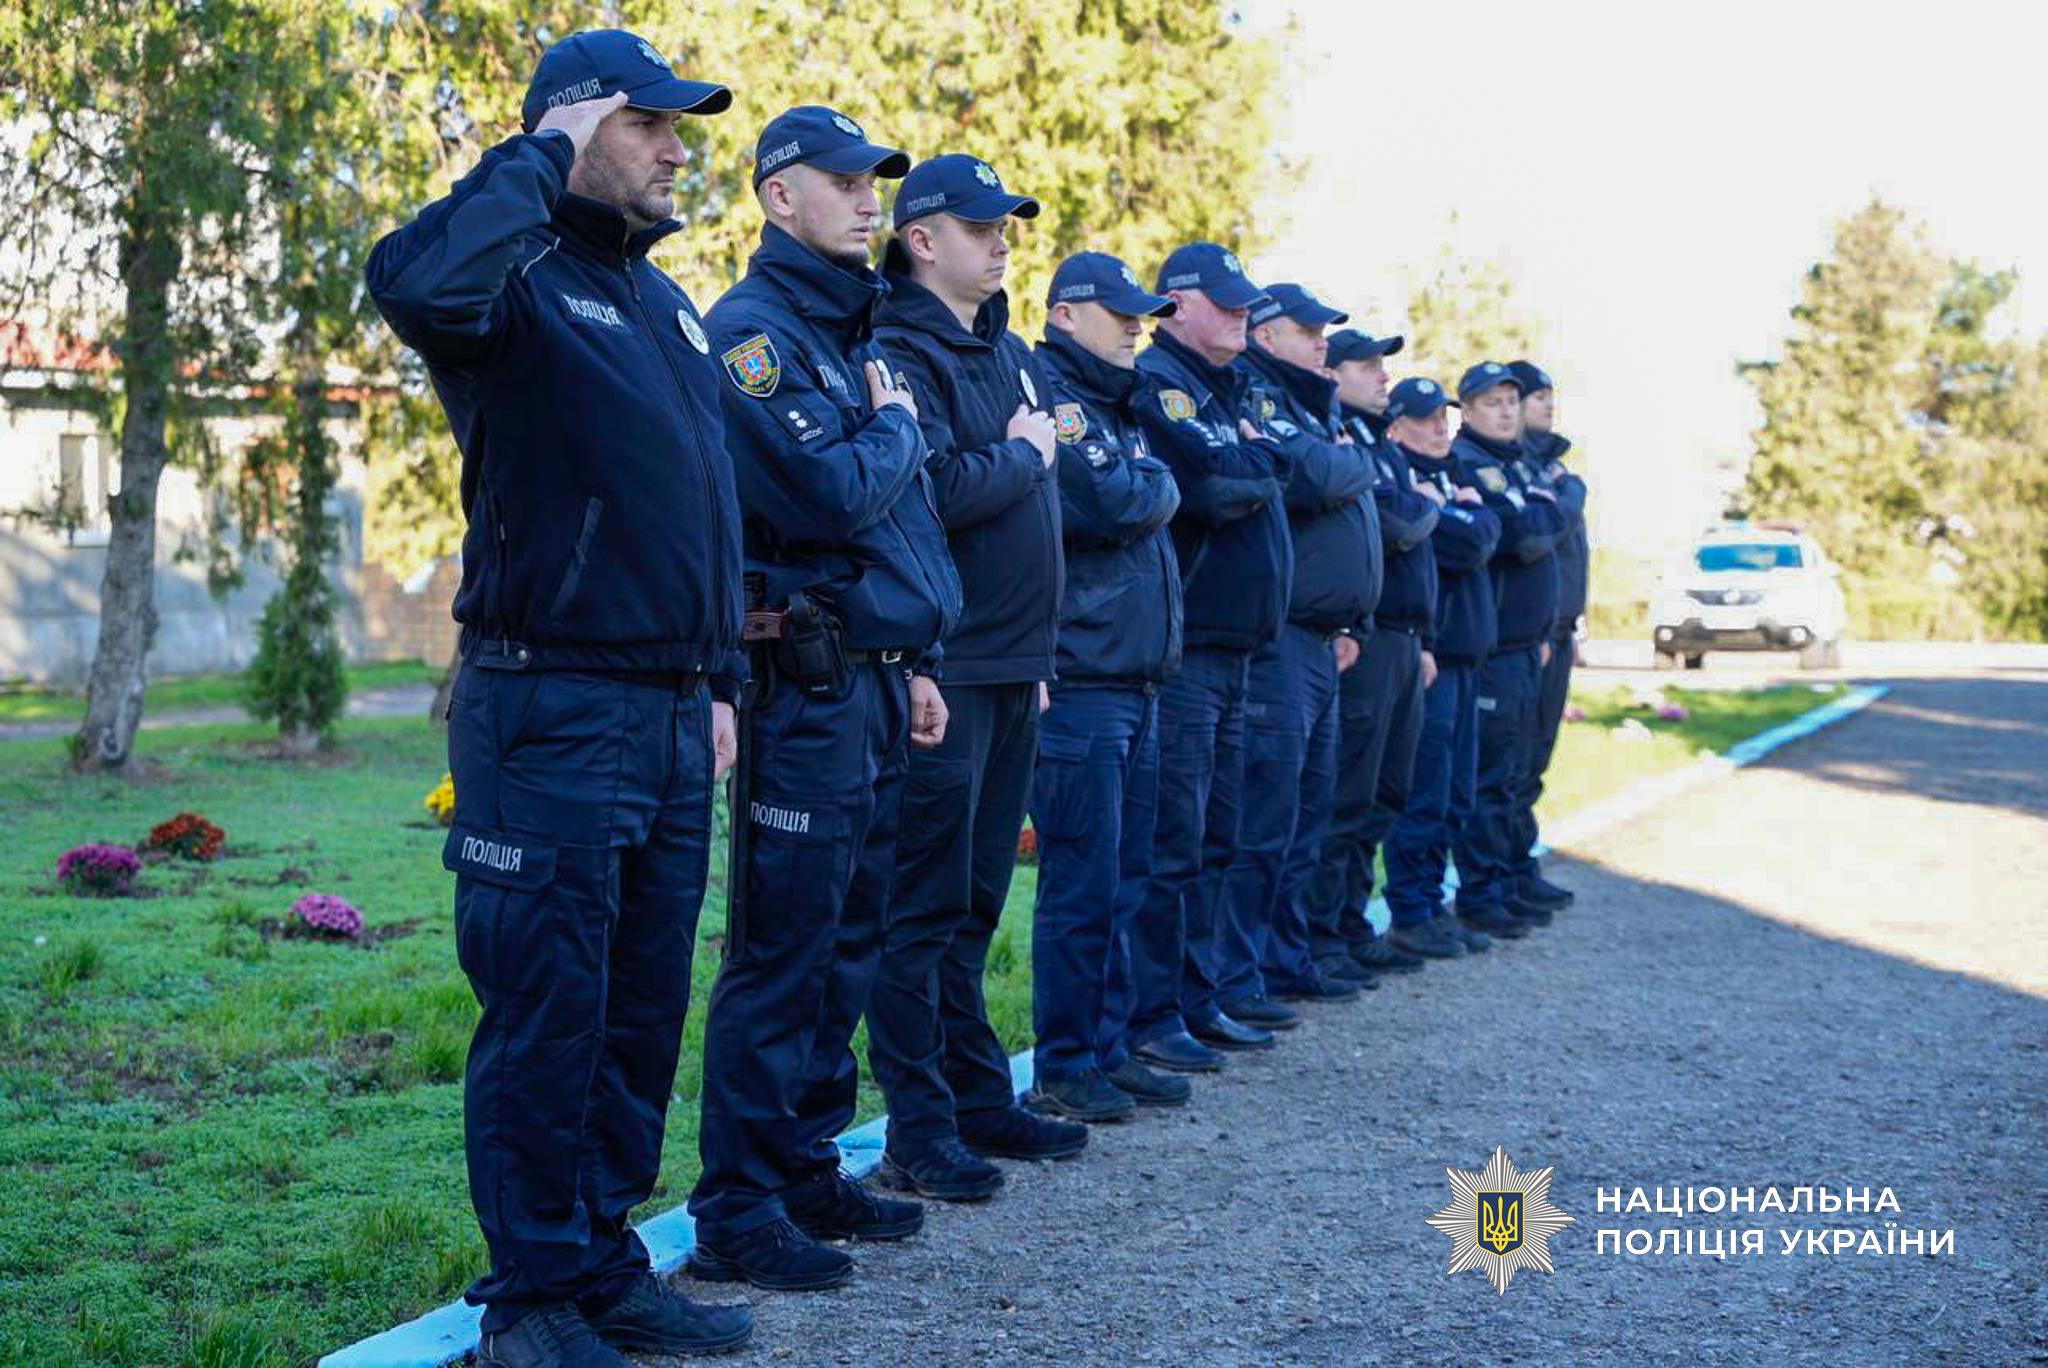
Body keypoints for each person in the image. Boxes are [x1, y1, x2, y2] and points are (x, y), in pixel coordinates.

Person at [365, 29, 754, 1365]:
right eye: (649, 122)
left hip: (663, 710)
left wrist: (718, 680)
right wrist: (535, 156)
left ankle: (599, 1263)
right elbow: (410, 282)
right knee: (551, 1005)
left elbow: (707, 519)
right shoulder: (511, 272)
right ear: (579, 125)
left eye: (677, 125)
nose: (676, 145)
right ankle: (529, 1302)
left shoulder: (665, 303)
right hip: (549, 708)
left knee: (642, 1007)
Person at [684, 106, 963, 1295]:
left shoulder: (851, 334)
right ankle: (736, 1203)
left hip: (867, 680)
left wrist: (911, 664)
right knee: (782, 951)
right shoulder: (756, 334)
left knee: (847, 944)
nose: (868, 200)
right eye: (841, 181)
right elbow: (822, 493)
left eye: (874, 183)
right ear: (775, 197)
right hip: (799, 687)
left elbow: (883, 517)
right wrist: (894, 423)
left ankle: (803, 1167)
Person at [866, 155, 1085, 1196]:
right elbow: (928, 487)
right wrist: (1026, 458)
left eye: (1006, 225)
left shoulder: (1006, 353)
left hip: (1011, 666)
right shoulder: (896, 346)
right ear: (921, 240)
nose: (1002, 241)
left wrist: (1034, 657)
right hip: (943, 668)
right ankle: (916, 1127)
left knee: (975, 904)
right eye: (980, 225)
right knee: (920, 908)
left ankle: (973, 1095)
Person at [1026, 252, 1189, 1119]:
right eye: (1119, 313)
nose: (1137, 326)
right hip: (1084, 681)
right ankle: (1066, 1062)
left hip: (1136, 681)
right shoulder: (1055, 395)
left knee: (1128, 876)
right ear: (1063, 315)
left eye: (1143, 314)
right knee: (1082, 883)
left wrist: (1149, 483)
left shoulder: (1116, 408)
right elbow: (1108, 503)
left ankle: (1110, 1045)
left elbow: (1147, 489)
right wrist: (1153, 484)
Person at [1128, 242, 1292, 1070]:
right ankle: (1154, 1014)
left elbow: (1267, 466)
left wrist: (1254, 457)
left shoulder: (1227, 389)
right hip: (1190, 647)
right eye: (1225, 305)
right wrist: (1256, 457)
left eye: (1244, 306)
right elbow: (1219, 489)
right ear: (1177, 304)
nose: (1241, 318)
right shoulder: (1164, 382)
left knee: (1221, 836)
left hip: (1240, 650)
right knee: (1176, 843)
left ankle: (1198, 998)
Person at [1224, 285, 1382, 1021]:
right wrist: (1343, 461)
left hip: (1323, 642)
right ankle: (1242, 973)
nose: (1323, 343)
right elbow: (1316, 476)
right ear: (1263, 334)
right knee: (1266, 817)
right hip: (1279, 639)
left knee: (1305, 814)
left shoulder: (1316, 405)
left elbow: (1330, 478)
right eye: (1307, 330)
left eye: (1325, 331)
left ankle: (1285, 959)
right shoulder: (1259, 394)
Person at [1305, 328, 1440, 984]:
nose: (1382, 376)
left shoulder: (1375, 444)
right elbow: (1398, 525)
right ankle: (1323, 935)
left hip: (1402, 641)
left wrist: (1418, 513)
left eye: (1383, 364)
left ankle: (1352, 923)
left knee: (1385, 792)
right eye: (1366, 364)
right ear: (1331, 371)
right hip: (1367, 638)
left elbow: (1407, 518)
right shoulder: (1338, 435)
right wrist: (1423, 512)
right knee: (1348, 794)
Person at [1379, 378, 1503, 961]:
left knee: (1456, 794)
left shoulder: (1454, 474)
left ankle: (1432, 904)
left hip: (1466, 657)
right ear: (1397, 425)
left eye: (1443, 418)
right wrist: (1457, 519)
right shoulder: (1399, 472)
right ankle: (1411, 908)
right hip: (1433, 655)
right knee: (1424, 793)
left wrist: (1453, 514)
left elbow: (1488, 533)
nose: (1440, 428)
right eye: (1426, 419)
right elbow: (1458, 544)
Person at [1448, 362, 1571, 941]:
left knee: (1518, 769)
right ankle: (1483, 890)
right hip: (1493, 646)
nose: (1504, 411)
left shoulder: (1513, 464)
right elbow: (1524, 537)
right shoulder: (1468, 464)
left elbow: (1548, 524)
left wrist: (1544, 511)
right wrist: (1544, 510)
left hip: (1527, 644)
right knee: (1490, 776)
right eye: (1490, 402)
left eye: (1510, 401)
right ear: (1466, 411)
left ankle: (1507, 878)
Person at [1507, 359, 1588, 912]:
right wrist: (1569, 494)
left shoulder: (1554, 468)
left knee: (1534, 763)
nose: (1546, 406)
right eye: (1537, 398)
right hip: (1526, 637)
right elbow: (1535, 540)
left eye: (1548, 398)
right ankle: (1497, 879)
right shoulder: (1526, 470)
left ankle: (1519, 867)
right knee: (1508, 766)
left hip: (1558, 634)